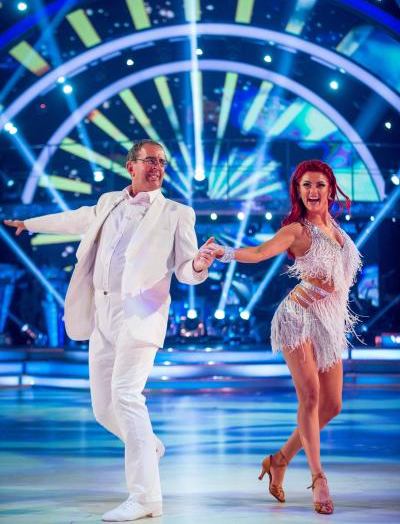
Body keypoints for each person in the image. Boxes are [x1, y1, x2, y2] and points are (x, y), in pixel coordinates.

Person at [4, 139, 215, 522]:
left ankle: (146, 497)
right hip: (102, 312)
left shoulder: (176, 213)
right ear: (130, 166)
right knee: (104, 409)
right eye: (150, 161)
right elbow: (73, 219)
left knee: (126, 395)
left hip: (141, 314)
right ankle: (147, 445)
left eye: (162, 163)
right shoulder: (108, 202)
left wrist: (199, 263)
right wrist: (29, 223)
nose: (158, 167)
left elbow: (185, 271)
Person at [207, 160, 361, 515]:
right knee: (310, 396)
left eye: (319, 185)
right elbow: (259, 252)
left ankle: (279, 459)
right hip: (297, 317)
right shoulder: (297, 230)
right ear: (298, 191)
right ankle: (319, 478)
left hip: (328, 322)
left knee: (333, 405)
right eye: (306, 185)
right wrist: (224, 252)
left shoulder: (338, 230)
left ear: (330, 188)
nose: (313, 192)